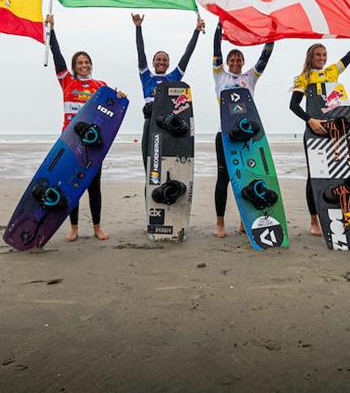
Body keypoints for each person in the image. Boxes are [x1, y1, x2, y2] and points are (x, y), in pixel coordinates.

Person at [45, 13, 126, 242]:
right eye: (79, 62)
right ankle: (74, 228)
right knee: (72, 185)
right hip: (70, 141)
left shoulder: (100, 86)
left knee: (93, 186)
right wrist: (52, 31)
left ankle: (97, 227)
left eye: (86, 62)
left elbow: (113, 107)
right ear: (74, 67)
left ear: (91, 65)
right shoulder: (67, 81)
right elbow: (57, 56)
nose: (84, 65)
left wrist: (119, 95)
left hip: (93, 143)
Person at [288, 38, 350, 236]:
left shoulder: (332, 71)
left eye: (324, 55)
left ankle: (342, 214)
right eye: (318, 55)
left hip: (336, 131)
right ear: (311, 56)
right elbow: (293, 106)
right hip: (315, 132)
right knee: (314, 176)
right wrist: (310, 120)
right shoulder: (303, 78)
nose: (322, 58)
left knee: (339, 172)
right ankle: (314, 221)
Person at [212, 22, 274, 238]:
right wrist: (218, 28)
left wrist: (271, 35)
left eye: (239, 59)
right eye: (232, 59)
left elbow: (264, 59)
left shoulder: (250, 78)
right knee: (224, 178)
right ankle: (220, 223)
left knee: (248, 176)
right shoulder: (220, 75)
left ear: (243, 62)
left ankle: (243, 220)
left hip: (248, 136)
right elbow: (216, 52)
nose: (236, 62)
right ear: (228, 62)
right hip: (225, 135)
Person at [132, 13, 205, 169]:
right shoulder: (146, 76)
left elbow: (188, 54)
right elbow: (140, 52)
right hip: (150, 123)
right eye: (158, 59)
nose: (161, 61)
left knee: (166, 165)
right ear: (152, 63)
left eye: (164, 59)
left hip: (168, 123)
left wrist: (197, 31)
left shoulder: (174, 77)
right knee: (150, 168)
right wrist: (138, 28)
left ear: (168, 63)